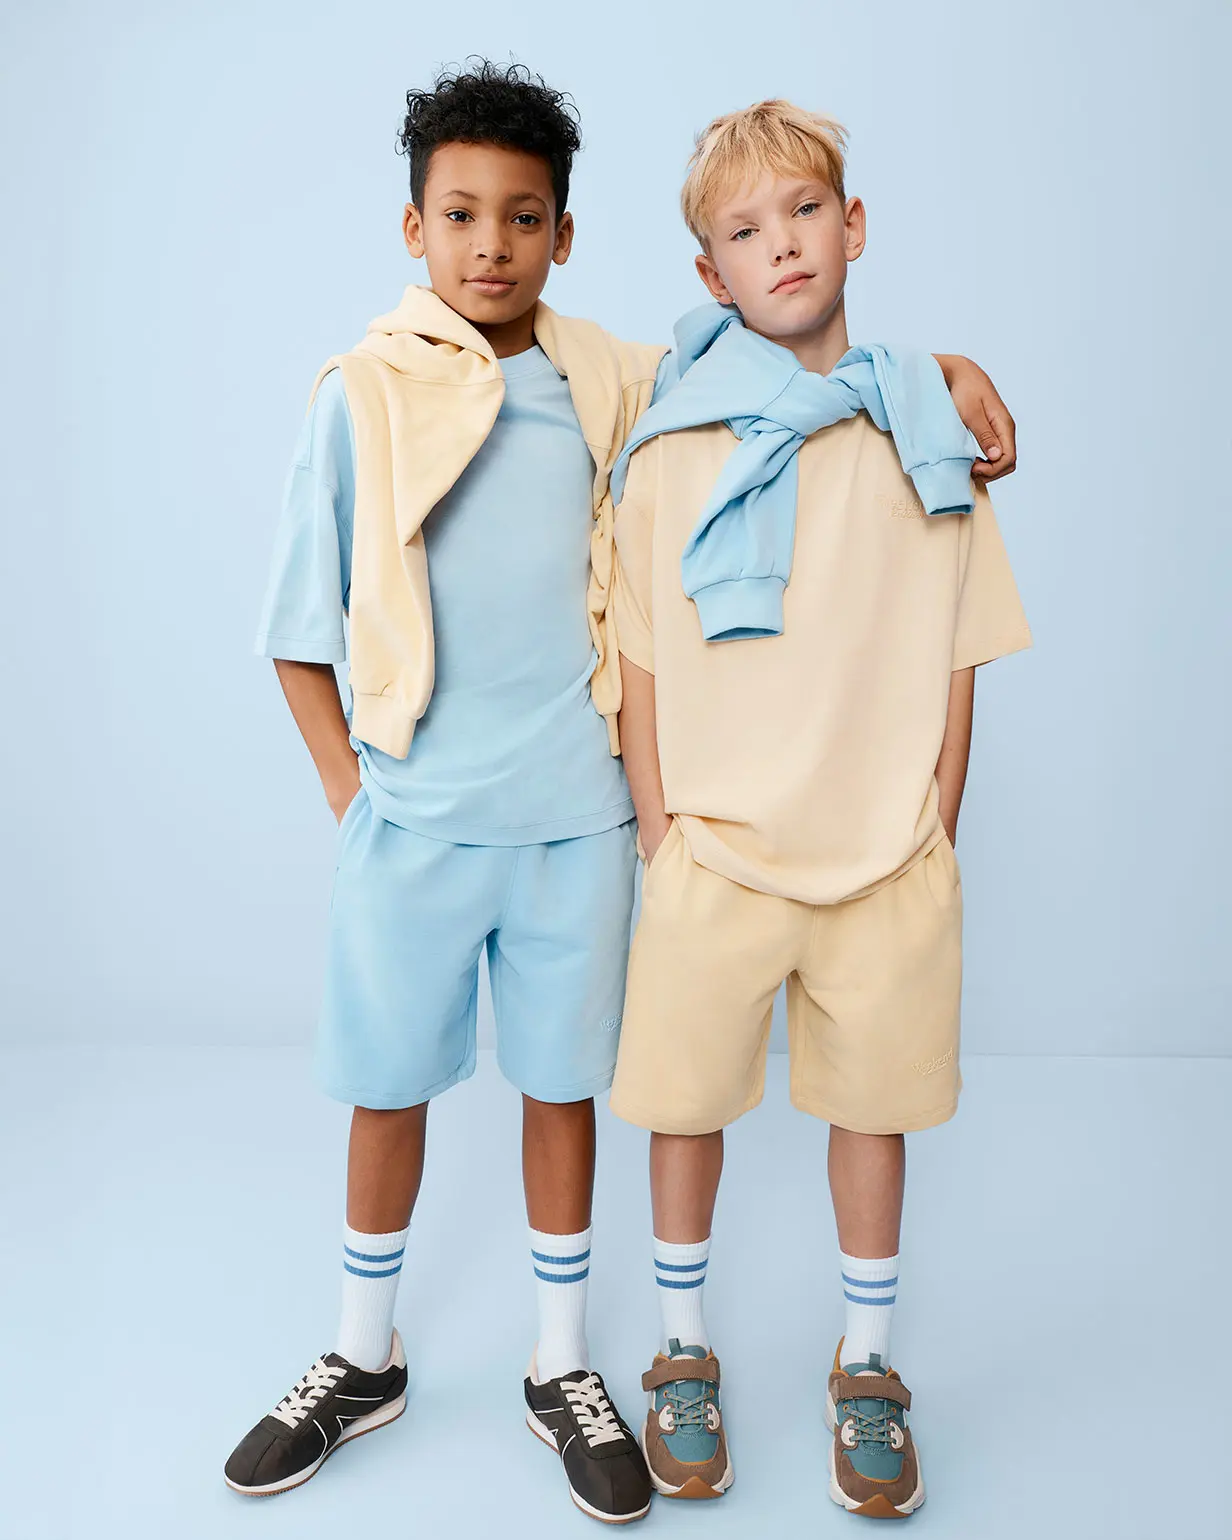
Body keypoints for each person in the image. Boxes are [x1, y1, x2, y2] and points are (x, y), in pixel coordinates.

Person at [224, 63, 1020, 1524]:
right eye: (460, 215)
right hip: (415, 818)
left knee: (565, 1086)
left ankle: (563, 1362)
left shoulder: (611, 375)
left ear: (565, 238)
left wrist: (946, 368)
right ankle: (360, 1353)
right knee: (386, 1081)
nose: (490, 245)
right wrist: (358, 801)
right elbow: (297, 628)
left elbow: (778, 354)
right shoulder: (362, 395)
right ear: (413, 228)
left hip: (577, 824)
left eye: (523, 218)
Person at [609, 99, 1031, 1519]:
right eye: (743, 231)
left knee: (874, 1113)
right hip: (718, 852)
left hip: (882, 853)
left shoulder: (928, 436)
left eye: (803, 213)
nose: (779, 245)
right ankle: (682, 1347)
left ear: (852, 230)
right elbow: (646, 660)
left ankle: (867, 1365)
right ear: (710, 277)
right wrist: (665, 834)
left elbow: (962, 642)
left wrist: (936, 820)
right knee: (687, 1106)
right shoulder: (672, 450)